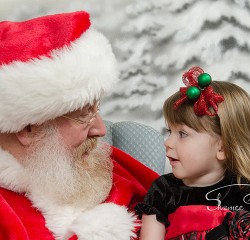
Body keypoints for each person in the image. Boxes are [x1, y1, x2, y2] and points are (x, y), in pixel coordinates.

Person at [0, 11, 159, 240]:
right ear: (28, 129)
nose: (101, 130)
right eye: (84, 116)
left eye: (97, 109)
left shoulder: (101, 164)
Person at [136, 66, 250, 239]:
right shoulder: (163, 192)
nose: (167, 142)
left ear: (222, 148)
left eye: (182, 134)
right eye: (170, 132)